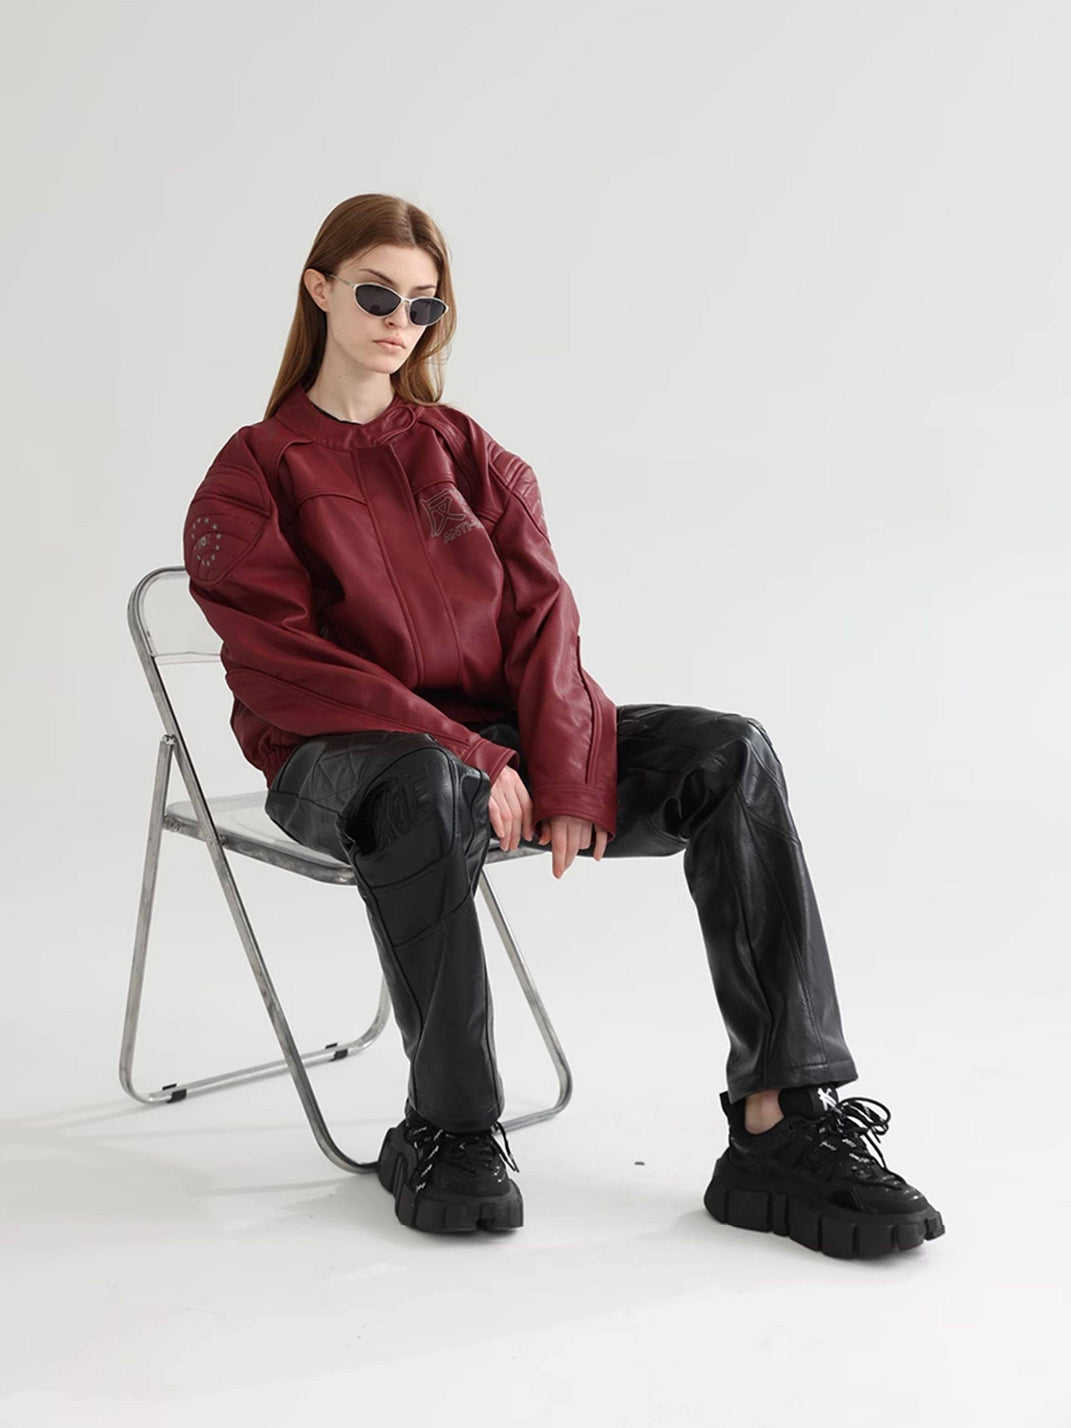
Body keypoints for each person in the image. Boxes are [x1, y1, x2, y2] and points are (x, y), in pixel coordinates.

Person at [182, 192, 945, 1259]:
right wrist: (467, 752)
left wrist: (566, 772)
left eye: (423, 304)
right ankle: (448, 1127)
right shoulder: (253, 470)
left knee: (729, 752)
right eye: (375, 294)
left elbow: (544, 620)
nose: (400, 320)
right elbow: (286, 666)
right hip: (339, 762)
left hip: (494, 752)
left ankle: (782, 1121)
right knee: (421, 781)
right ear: (318, 290)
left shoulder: (467, 451)